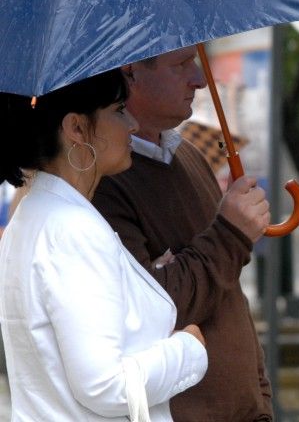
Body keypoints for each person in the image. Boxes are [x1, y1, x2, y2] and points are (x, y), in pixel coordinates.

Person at [0, 69, 208, 421]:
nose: (131, 124)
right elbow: (105, 385)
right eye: (118, 110)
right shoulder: (73, 230)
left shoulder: (36, 214)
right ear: (77, 129)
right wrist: (189, 349)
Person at [92, 46, 274, 421]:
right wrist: (230, 233)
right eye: (180, 65)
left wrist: (261, 397)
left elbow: (227, 296)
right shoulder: (103, 185)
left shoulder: (189, 156)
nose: (199, 79)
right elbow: (155, 308)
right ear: (131, 72)